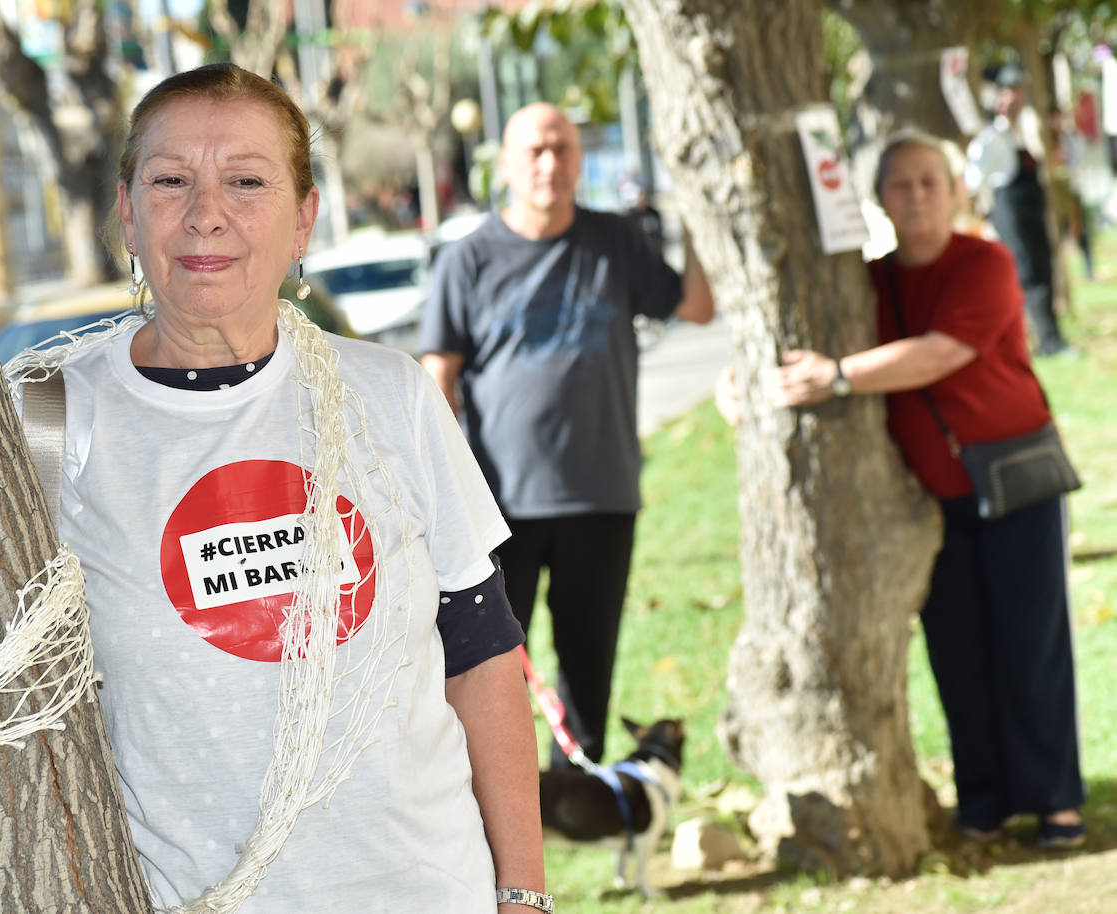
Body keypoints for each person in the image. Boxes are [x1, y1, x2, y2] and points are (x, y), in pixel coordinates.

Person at [0, 64, 550, 913]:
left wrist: (522, 893)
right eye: (171, 181)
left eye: (246, 180)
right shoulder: (46, 419)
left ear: (304, 217)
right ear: (128, 214)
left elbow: (483, 655)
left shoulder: (392, 395)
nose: (207, 212)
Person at [773, 131, 1086, 849]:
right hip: (932, 498)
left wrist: (841, 375)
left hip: (1015, 483)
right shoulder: (871, 282)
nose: (915, 196)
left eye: (928, 182)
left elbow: (943, 353)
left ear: (954, 192)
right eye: (900, 184)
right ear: (879, 197)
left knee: (1029, 646)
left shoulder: (986, 262)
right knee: (958, 648)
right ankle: (986, 797)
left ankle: (1056, 802)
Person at [419, 102, 714, 770]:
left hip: (601, 495)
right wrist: (447, 492)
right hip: (497, 510)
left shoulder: (614, 240)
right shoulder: (468, 260)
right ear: (507, 163)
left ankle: (574, 801)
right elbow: (439, 380)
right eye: (535, 151)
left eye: (563, 150)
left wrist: (698, 220)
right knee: (488, 668)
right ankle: (491, 798)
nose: (550, 163)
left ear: (580, 160)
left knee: (588, 666)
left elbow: (696, 307)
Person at [965, 63, 1076, 357]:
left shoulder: (1025, 129)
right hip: (1010, 212)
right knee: (1026, 273)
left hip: (1031, 209)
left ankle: (1049, 338)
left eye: (1017, 92)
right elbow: (972, 180)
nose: (1014, 99)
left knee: (1042, 267)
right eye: (1007, 93)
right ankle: (1044, 340)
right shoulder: (990, 139)